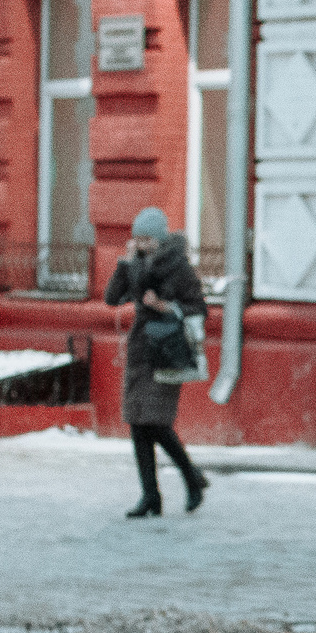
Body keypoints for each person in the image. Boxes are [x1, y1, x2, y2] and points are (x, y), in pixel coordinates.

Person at [105, 207, 209, 518]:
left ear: (161, 239)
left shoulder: (178, 267)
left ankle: (191, 478)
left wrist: (164, 306)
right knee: (138, 423)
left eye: (147, 239)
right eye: (138, 238)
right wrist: (125, 263)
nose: (141, 244)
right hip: (140, 350)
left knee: (157, 423)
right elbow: (112, 298)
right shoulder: (135, 263)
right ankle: (150, 496)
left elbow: (199, 308)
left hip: (167, 349)